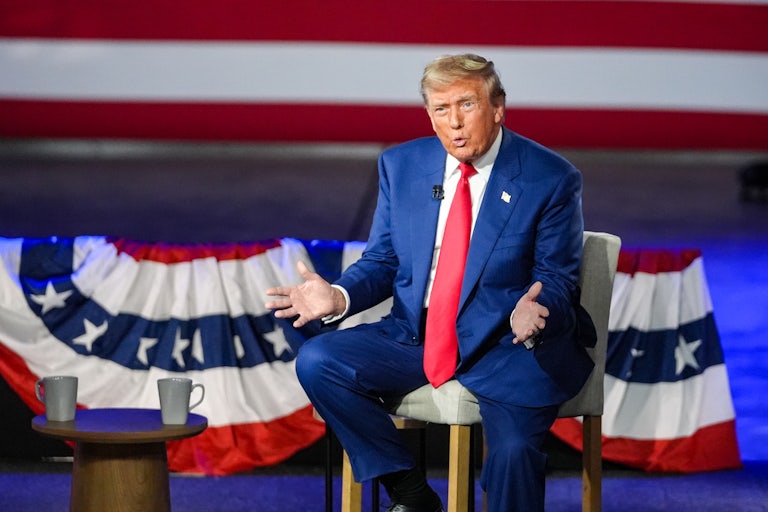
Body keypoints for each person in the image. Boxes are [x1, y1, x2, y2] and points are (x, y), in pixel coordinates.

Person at [266, 53, 595, 512]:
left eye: (467, 105)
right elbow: (384, 260)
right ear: (429, 115)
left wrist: (538, 310)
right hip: (418, 335)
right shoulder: (401, 166)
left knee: (516, 453)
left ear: (497, 107)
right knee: (320, 360)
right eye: (441, 110)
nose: (455, 123)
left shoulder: (549, 177)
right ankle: (412, 495)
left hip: (507, 346)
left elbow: (556, 278)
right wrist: (339, 295)